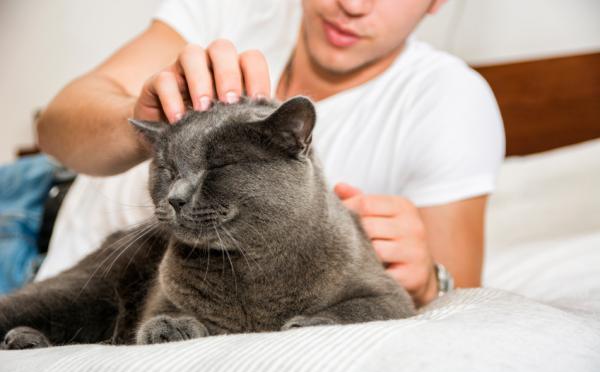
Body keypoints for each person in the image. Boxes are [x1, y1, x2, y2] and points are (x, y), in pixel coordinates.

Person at [36, 0, 504, 307]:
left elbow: (458, 293)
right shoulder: (232, 11)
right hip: (48, 237)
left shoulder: (447, 100)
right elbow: (54, 126)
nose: (352, 6)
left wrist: (428, 280)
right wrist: (143, 122)